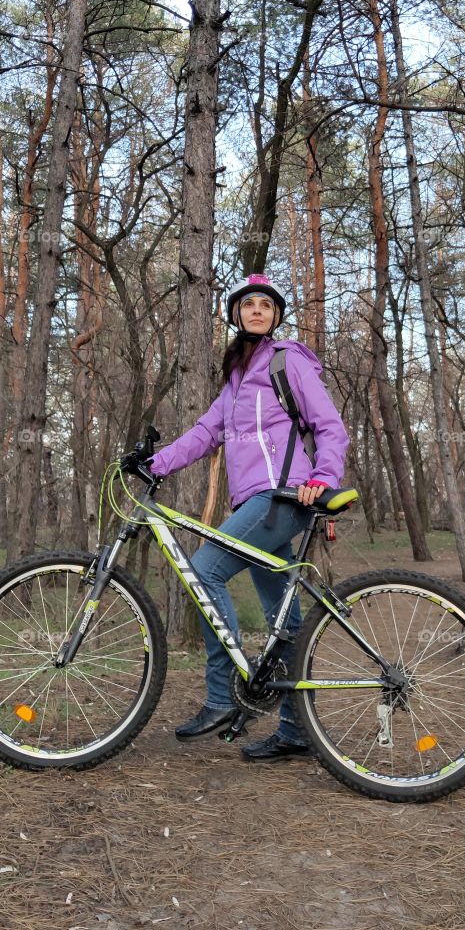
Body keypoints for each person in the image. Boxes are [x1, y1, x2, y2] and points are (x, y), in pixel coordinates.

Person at [149, 273, 349, 761]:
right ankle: (297, 729)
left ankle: (220, 697)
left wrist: (324, 477)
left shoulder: (287, 362)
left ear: (275, 316)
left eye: (266, 304)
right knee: (287, 622)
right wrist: (154, 463)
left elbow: (329, 425)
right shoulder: (237, 379)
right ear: (236, 314)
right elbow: (204, 432)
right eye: (248, 304)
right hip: (255, 503)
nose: (257, 310)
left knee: (203, 571)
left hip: (283, 497)